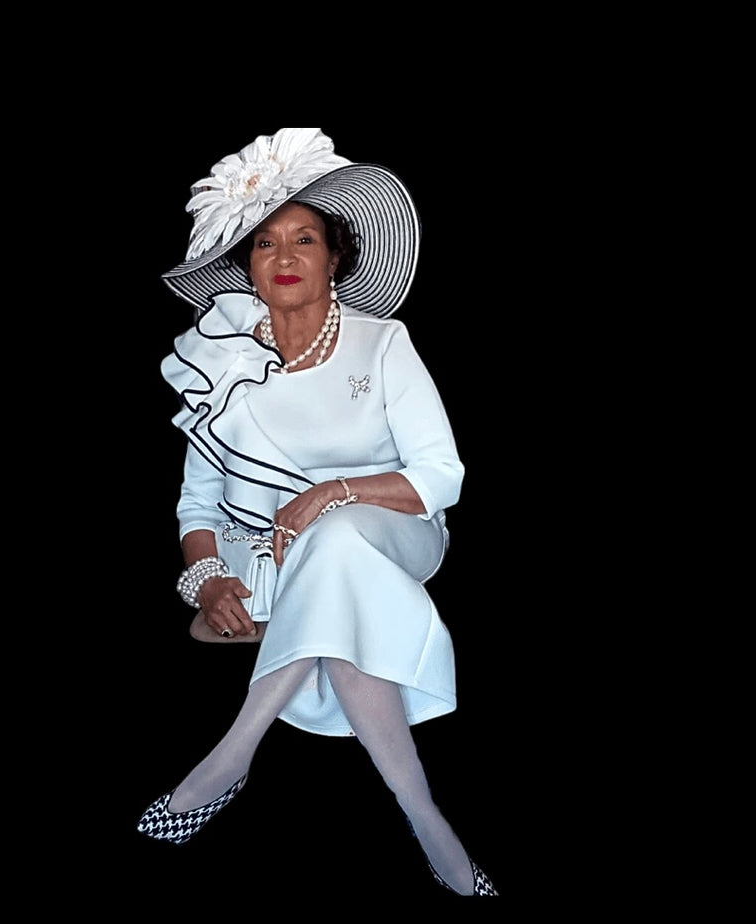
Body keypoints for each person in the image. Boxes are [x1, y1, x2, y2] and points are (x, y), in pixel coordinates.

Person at [137, 128, 499, 897]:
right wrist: (207, 580)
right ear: (248, 265)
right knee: (334, 578)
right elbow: (197, 502)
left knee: (334, 537)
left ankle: (231, 756)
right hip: (276, 561)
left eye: (304, 238)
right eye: (265, 242)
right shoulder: (223, 358)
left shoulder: (382, 344)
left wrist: (334, 491)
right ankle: (427, 818)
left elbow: (441, 476)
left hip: (398, 531)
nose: (285, 255)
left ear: (336, 256)